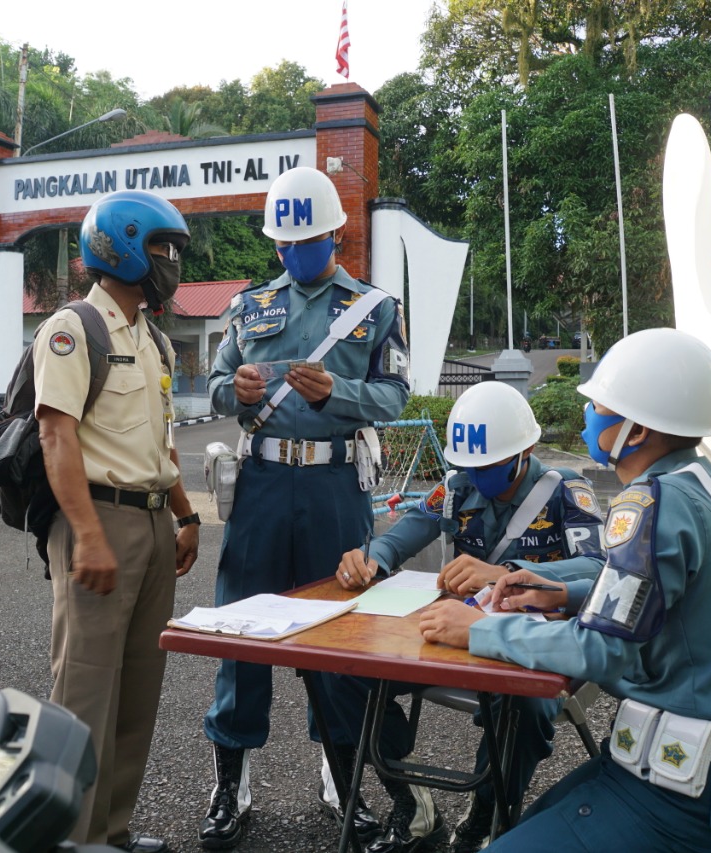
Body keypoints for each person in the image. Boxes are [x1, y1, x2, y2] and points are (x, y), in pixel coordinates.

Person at [417, 328, 711, 852]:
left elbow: (601, 650)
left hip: (680, 793)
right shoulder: (694, 483)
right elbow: (660, 599)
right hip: (688, 766)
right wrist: (561, 594)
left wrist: (480, 630)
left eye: (600, 406)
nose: (588, 415)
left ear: (636, 430)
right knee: (518, 830)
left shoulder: (652, 505)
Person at [200, 165, 410, 850]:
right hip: (261, 483)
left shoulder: (374, 308)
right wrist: (236, 390)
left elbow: (395, 396)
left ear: (336, 235)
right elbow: (216, 382)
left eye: (307, 241)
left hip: (333, 486)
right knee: (242, 630)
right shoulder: (249, 305)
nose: (294, 253)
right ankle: (230, 785)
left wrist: (335, 394)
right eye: (284, 244)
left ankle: (342, 780)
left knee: (339, 634)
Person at [329, 380, 607, 853]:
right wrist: (370, 559)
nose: (477, 477)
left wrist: (507, 572)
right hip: (455, 635)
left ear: (526, 450)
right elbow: (402, 535)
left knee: (524, 705)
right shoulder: (456, 489)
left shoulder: (566, 492)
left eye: (490, 467)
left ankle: (484, 818)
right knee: (342, 673)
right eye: (469, 466)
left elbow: (599, 567)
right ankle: (411, 801)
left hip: (530, 644)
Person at [34, 190, 202, 853]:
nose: (171, 262)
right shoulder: (74, 329)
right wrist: (89, 535)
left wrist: (186, 515)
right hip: (98, 520)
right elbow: (56, 437)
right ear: (121, 247)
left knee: (137, 690)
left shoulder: (153, 338)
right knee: (84, 690)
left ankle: (112, 830)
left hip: (154, 525)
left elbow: (160, 444)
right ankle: (72, 839)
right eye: (162, 247)